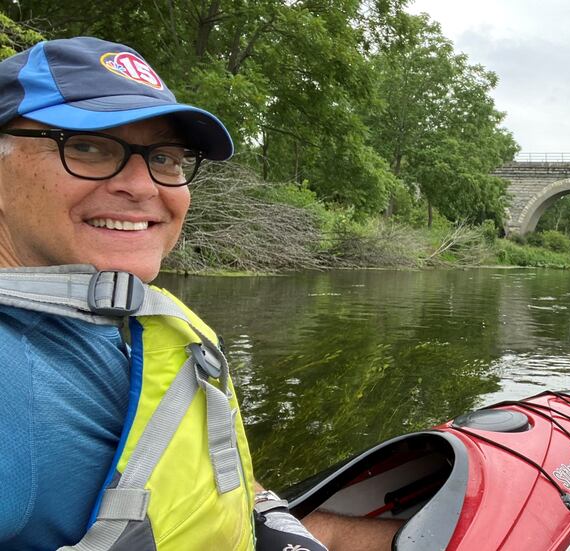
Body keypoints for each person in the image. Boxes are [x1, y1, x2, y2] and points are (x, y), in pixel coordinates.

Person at [0, 37, 400, 551]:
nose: (145, 187)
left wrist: (267, 510)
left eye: (165, 158)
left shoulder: (104, 312)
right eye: (88, 147)